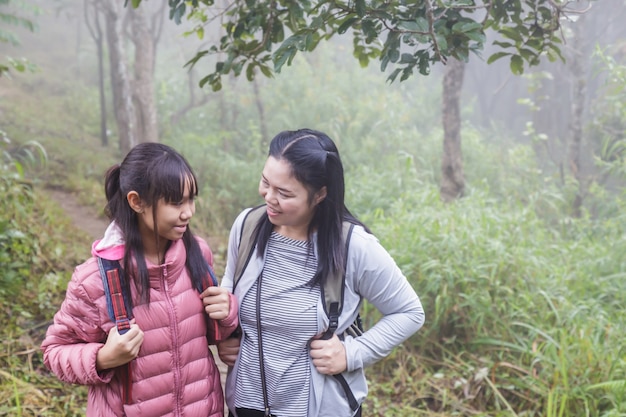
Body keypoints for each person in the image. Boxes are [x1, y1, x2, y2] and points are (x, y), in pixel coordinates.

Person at [217, 128, 425, 417]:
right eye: (266, 182)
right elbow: (231, 286)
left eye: (285, 193)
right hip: (247, 404)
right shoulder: (248, 226)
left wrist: (351, 354)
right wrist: (228, 333)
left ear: (320, 195)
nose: (269, 197)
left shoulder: (352, 246)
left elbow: (409, 312)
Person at [41, 142, 238, 417]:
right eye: (176, 202)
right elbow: (54, 352)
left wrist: (228, 312)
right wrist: (104, 358)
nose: (188, 212)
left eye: (191, 199)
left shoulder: (197, 255)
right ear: (136, 201)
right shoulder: (94, 281)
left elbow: (211, 335)